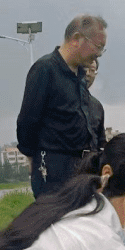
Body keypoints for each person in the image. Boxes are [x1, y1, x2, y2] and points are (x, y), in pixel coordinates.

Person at [17, 14, 108, 199]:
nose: (98, 54)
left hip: (84, 174)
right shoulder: (45, 70)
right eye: (98, 47)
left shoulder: (80, 76)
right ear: (76, 39)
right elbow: (27, 123)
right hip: (55, 175)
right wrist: (34, 160)